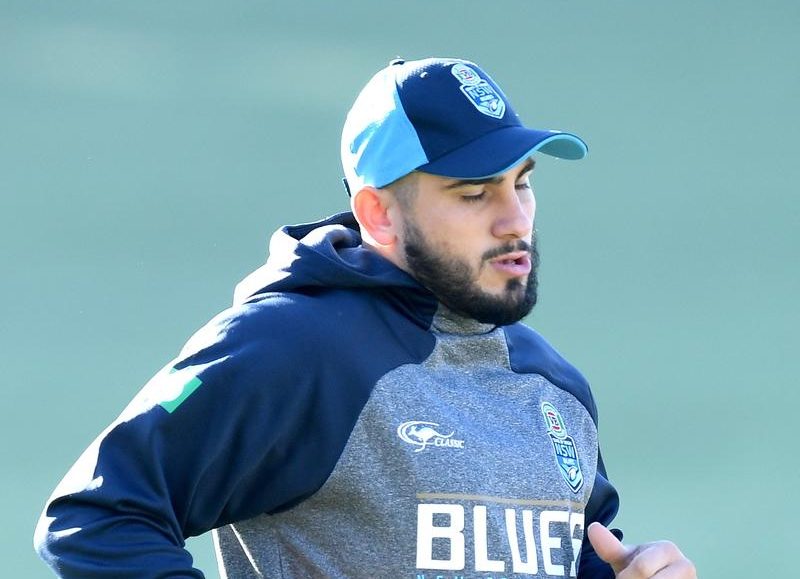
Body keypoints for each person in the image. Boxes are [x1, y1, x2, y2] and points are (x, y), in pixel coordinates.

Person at [34, 57, 696, 578]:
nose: (514, 219)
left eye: (521, 182)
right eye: (474, 193)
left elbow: (580, 558)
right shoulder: (294, 345)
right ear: (379, 214)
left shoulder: (555, 386)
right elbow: (96, 516)